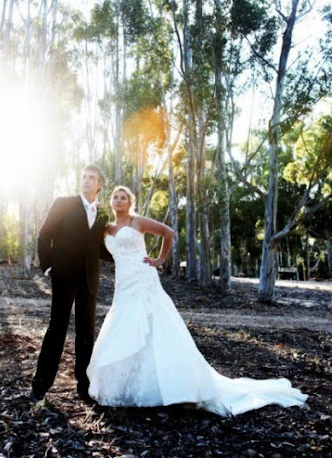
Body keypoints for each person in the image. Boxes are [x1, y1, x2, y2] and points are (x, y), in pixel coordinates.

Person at [86, 186, 308, 416]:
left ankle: (175, 386)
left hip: (143, 280)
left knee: (154, 326)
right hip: (123, 284)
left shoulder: (137, 221)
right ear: (110, 201)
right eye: (115, 197)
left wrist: (160, 260)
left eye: (123, 197)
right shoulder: (107, 228)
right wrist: (96, 212)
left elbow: (168, 232)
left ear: (129, 202)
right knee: (125, 325)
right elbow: (94, 241)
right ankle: (129, 383)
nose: (119, 200)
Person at [31, 165, 113, 404]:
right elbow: (44, 235)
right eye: (84, 177)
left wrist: (125, 256)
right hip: (63, 277)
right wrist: (48, 267)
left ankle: (84, 386)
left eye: (92, 178)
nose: (86, 181)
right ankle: (40, 386)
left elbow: (99, 248)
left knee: (86, 334)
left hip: (89, 280)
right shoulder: (63, 204)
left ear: (100, 185)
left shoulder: (102, 214)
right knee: (57, 330)